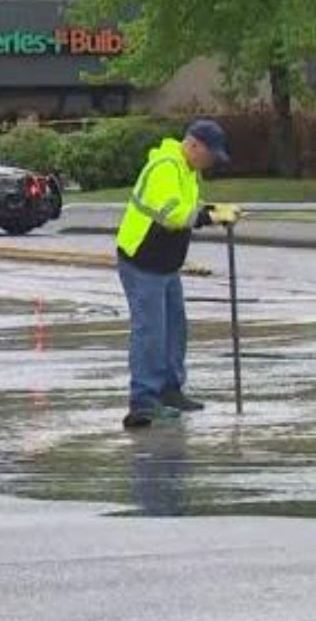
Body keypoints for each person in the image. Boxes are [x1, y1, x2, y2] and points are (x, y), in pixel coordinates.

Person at [115, 118, 239, 430]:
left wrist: (213, 209)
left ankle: (169, 390)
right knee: (151, 332)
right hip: (142, 259)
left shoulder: (187, 170)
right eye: (209, 155)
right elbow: (173, 214)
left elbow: (190, 206)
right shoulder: (166, 168)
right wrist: (208, 217)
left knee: (175, 329)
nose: (210, 162)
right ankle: (143, 402)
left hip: (165, 262)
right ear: (193, 145)